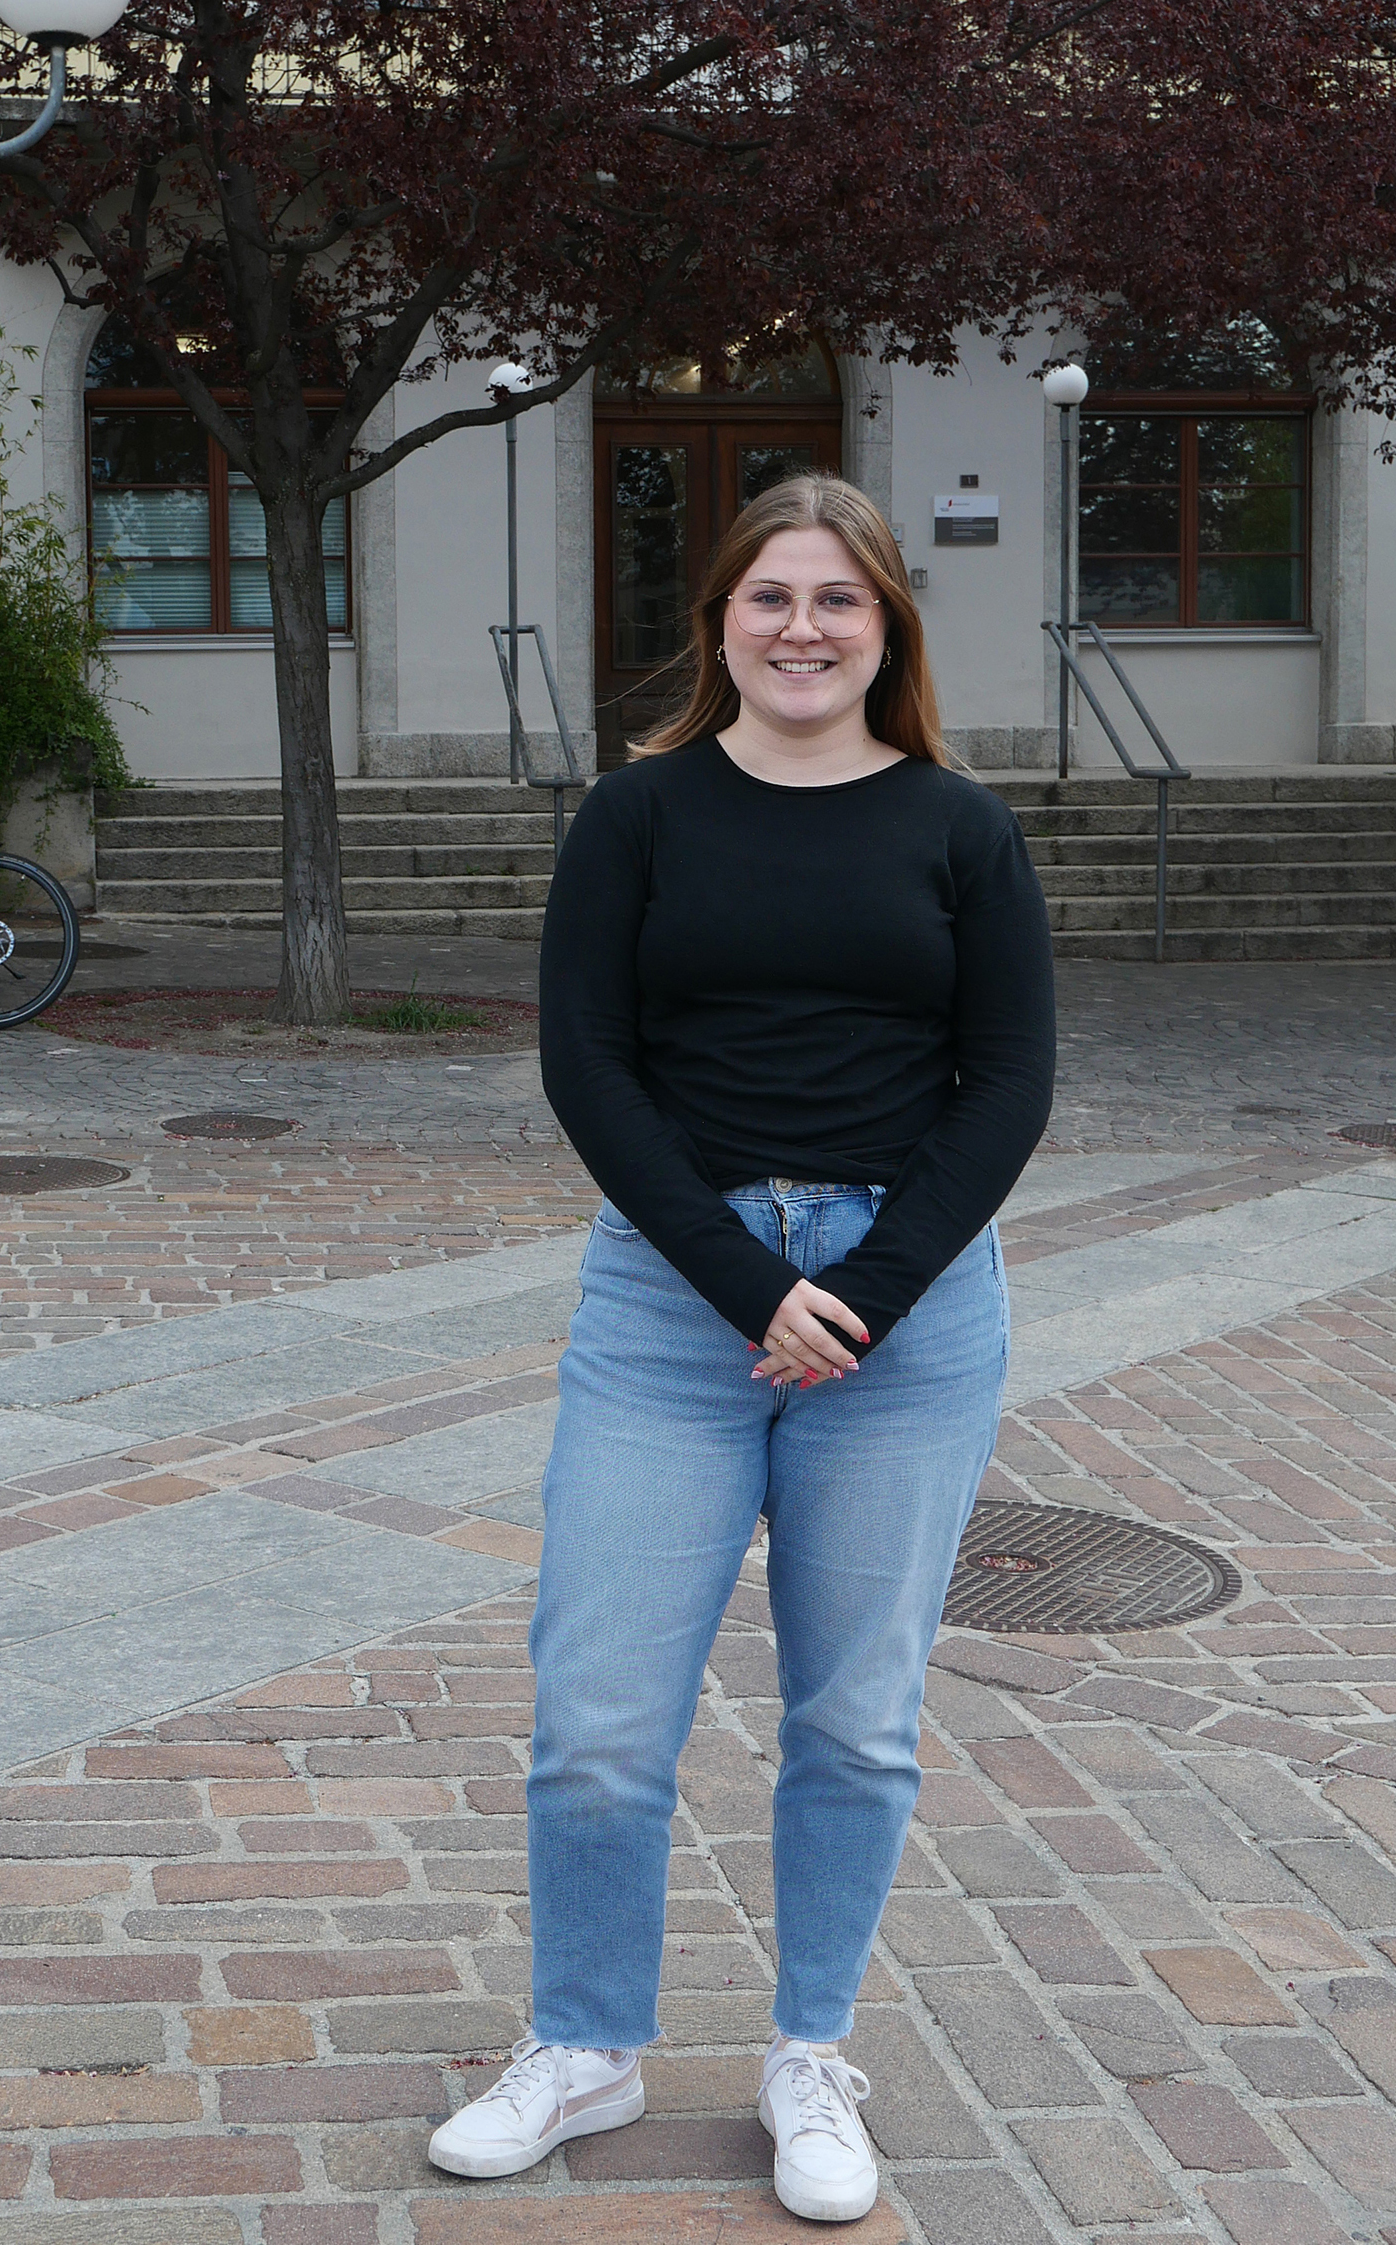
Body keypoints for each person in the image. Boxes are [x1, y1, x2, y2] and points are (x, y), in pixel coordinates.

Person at [426, 472, 1056, 2223]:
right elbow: (588, 1064)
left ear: (885, 631)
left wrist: (870, 1286)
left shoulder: (957, 826)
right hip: (669, 1298)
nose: (801, 628)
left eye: (837, 601)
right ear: (719, 621)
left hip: (902, 1313)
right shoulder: (634, 818)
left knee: (853, 1720)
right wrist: (735, 1279)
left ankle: (807, 2053)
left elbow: (1007, 1079)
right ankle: (585, 2042)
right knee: (600, 1714)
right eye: (770, 596)